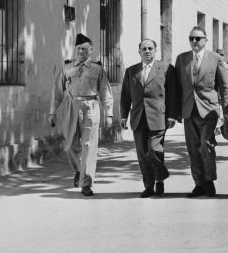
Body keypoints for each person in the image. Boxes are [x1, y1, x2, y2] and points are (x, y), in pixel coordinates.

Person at [49, 33, 113, 197]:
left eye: (85, 49)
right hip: (71, 106)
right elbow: (57, 92)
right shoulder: (67, 68)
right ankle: (79, 169)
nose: (81, 52)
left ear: (90, 50)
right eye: (79, 49)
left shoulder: (97, 69)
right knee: (69, 146)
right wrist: (52, 112)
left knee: (88, 147)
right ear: (75, 50)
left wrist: (109, 114)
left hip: (91, 107)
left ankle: (86, 183)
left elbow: (105, 91)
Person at [175, 26, 228, 197]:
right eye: (192, 38)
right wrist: (176, 111)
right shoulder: (181, 59)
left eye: (198, 38)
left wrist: (227, 111)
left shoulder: (215, 59)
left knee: (206, 146)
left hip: (208, 110)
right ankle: (198, 183)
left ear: (205, 40)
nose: (194, 41)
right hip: (188, 110)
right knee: (193, 148)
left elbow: (224, 86)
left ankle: (209, 181)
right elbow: (177, 87)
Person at [120, 38, 179, 197]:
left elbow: (172, 94)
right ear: (139, 51)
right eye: (144, 49)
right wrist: (123, 115)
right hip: (138, 117)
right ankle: (149, 186)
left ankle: (160, 179)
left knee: (154, 150)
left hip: (158, 116)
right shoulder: (131, 71)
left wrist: (172, 116)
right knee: (142, 154)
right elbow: (126, 95)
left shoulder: (166, 68)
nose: (147, 51)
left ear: (155, 50)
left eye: (150, 48)